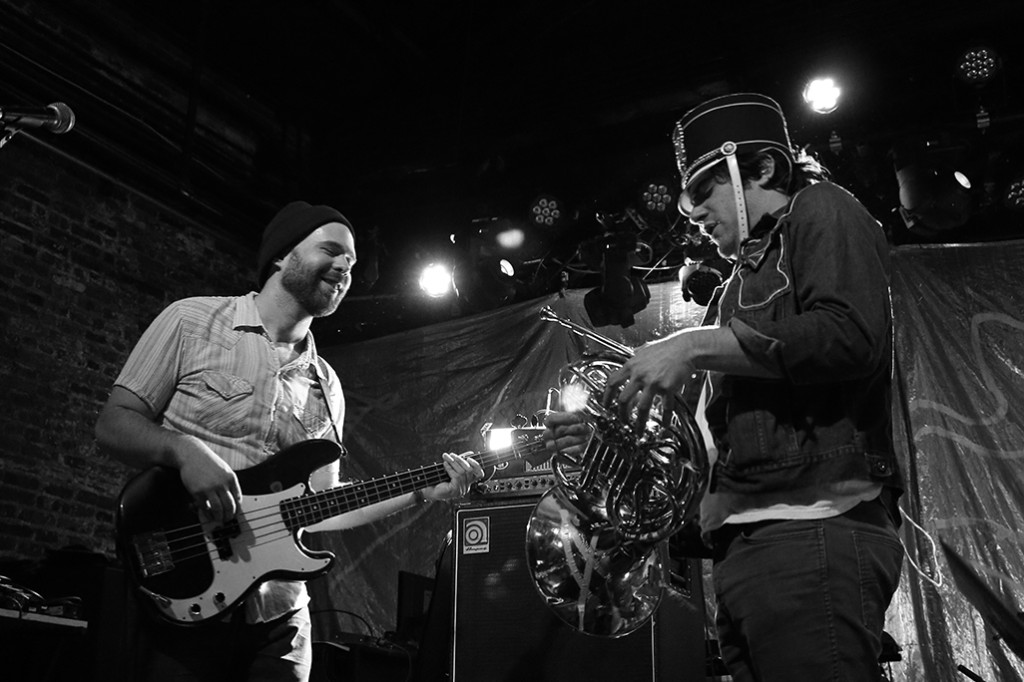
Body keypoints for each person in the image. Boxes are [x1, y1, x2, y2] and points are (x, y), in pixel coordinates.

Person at [545, 93, 904, 681]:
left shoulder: (822, 209)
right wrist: (603, 444)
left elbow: (848, 337)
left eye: (703, 193)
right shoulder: (731, 288)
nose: (694, 215)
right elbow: (694, 446)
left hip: (809, 529)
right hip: (746, 546)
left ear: (761, 169)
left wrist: (693, 345)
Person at [95, 200, 484, 682]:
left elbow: (323, 503)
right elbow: (114, 423)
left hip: (279, 618)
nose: (346, 266)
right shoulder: (191, 322)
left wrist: (424, 490)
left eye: (353, 262)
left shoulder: (326, 383)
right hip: (183, 595)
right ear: (282, 256)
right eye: (332, 250)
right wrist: (183, 450)